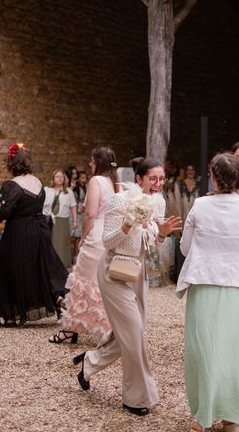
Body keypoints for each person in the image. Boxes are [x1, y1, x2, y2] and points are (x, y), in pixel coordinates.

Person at [73, 157, 182, 416]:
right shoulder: (119, 201)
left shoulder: (159, 202)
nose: (158, 184)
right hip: (113, 274)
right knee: (133, 334)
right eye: (153, 179)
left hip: (137, 272)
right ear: (139, 179)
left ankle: (90, 363)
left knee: (133, 331)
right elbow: (108, 242)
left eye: (161, 179)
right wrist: (129, 222)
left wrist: (163, 232)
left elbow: (152, 244)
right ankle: (136, 397)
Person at [177, 153, 239, 432]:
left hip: (205, 284)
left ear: (214, 177)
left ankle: (200, 422)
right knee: (238, 354)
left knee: (204, 351)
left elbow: (186, 248)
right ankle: (231, 419)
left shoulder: (201, 205)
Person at [0, 144, 67, 327]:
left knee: (8, 266)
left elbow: (2, 213)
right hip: (39, 231)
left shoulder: (11, 185)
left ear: (11, 163)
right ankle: (58, 300)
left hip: (19, 232)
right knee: (39, 267)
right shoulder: (38, 183)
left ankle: (9, 316)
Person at [51, 148, 117, 344]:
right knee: (101, 284)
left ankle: (74, 329)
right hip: (109, 234)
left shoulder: (95, 181)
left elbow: (90, 214)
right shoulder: (112, 183)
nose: (89, 164)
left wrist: (83, 236)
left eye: (91, 161)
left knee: (83, 283)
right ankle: (104, 330)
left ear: (97, 163)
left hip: (96, 235)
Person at [43, 169, 77, 268]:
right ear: (53, 178)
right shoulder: (47, 190)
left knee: (62, 243)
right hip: (49, 221)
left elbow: (73, 206)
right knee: (50, 243)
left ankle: (62, 264)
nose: (59, 178)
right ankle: (50, 264)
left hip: (63, 221)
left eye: (61, 177)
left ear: (64, 179)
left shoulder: (68, 191)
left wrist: (75, 220)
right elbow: (41, 205)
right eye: (57, 176)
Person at [71, 171, 88, 259]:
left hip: (82, 214)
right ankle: (75, 255)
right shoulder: (75, 189)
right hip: (76, 213)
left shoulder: (86, 187)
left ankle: (78, 255)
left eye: (85, 178)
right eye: (82, 178)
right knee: (76, 236)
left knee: (80, 235)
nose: (84, 180)